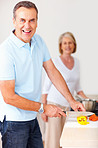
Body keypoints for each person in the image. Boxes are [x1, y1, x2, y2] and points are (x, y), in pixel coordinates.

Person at [0, 1, 85, 148]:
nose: (27, 26)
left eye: (32, 20)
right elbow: (8, 96)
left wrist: (71, 101)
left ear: (37, 22)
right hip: (14, 122)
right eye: (22, 20)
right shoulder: (6, 51)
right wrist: (43, 108)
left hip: (32, 118)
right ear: (13, 21)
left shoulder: (39, 41)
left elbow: (52, 71)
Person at [41, 32, 88, 148]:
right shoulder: (55, 62)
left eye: (70, 43)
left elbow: (78, 87)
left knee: (66, 140)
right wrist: (43, 108)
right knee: (53, 141)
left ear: (74, 45)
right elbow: (45, 88)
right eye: (65, 43)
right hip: (54, 105)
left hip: (68, 108)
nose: (68, 45)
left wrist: (89, 100)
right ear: (61, 46)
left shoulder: (76, 62)